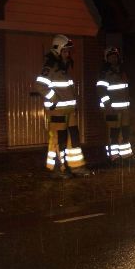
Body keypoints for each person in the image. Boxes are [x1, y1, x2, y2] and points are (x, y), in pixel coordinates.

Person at [35, 34, 90, 178]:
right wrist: (54, 99)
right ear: (57, 50)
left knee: (73, 138)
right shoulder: (50, 66)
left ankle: (76, 166)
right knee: (58, 140)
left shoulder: (62, 67)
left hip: (69, 110)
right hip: (58, 111)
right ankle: (57, 168)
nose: (68, 54)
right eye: (65, 51)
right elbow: (40, 85)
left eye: (68, 51)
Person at [96, 47, 132, 163]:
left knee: (125, 131)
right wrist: (107, 105)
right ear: (106, 58)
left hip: (124, 108)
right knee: (113, 133)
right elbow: (101, 90)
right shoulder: (104, 73)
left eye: (115, 56)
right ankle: (113, 156)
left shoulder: (122, 71)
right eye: (110, 56)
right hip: (111, 108)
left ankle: (126, 154)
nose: (113, 58)